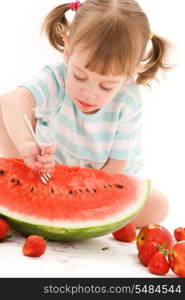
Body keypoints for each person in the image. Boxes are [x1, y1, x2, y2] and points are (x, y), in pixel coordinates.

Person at [0, 0, 172, 227]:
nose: (89, 93)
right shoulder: (57, 77)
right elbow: (12, 101)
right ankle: (20, 186)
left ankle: (72, 215)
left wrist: (82, 196)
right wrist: (26, 144)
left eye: (106, 86)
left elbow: (116, 167)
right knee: (5, 110)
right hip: (44, 171)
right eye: (80, 76)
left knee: (158, 206)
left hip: (101, 179)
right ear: (67, 49)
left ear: (130, 75)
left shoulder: (128, 102)